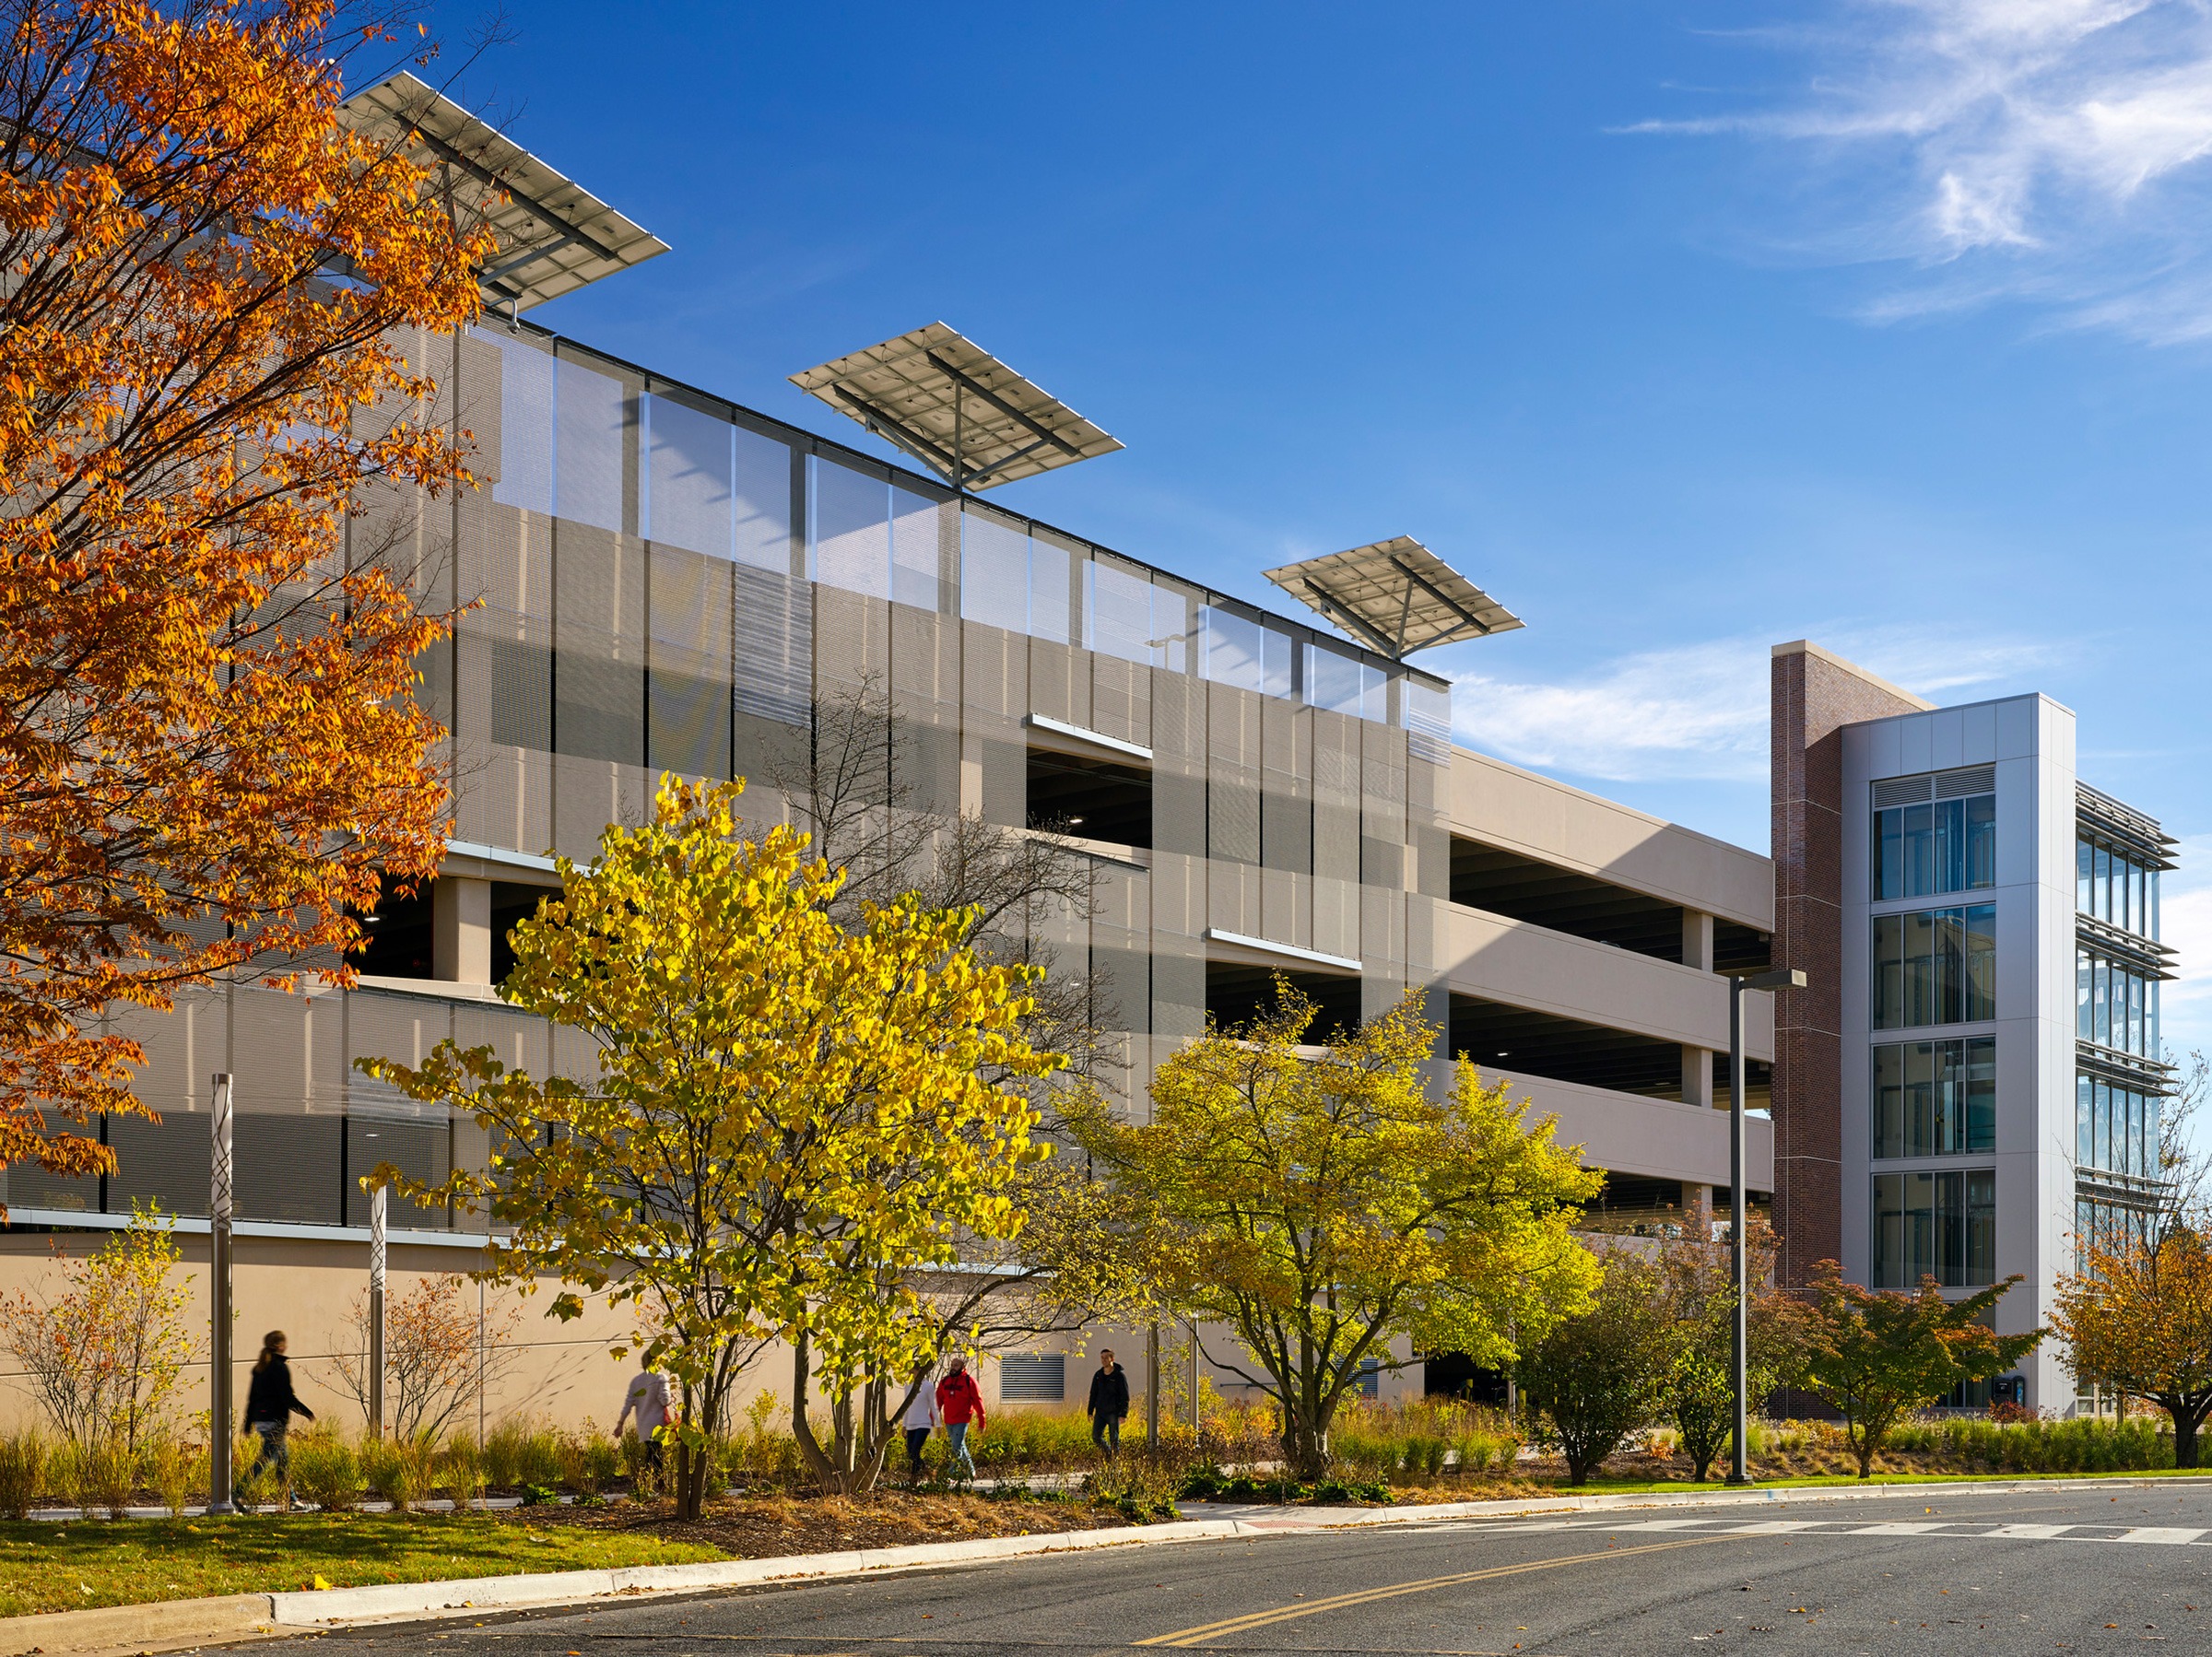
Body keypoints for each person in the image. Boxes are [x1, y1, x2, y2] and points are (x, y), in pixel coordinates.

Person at [243, 1330, 313, 1507]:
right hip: (275, 1420)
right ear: (280, 1346)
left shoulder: (259, 1368)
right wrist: (306, 1413)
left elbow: (252, 1398)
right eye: (285, 1343)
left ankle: (291, 1499)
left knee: (282, 1459)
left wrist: (248, 1424)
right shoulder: (279, 1368)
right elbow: (287, 1397)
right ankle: (238, 1492)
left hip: (261, 1419)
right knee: (267, 1459)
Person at [934, 1354, 984, 1482]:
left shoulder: (970, 1381)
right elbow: (938, 1400)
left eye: (956, 1365)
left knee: (956, 1447)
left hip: (962, 1420)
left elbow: (978, 1402)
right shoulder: (945, 1381)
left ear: (963, 1367)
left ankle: (951, 1474)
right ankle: (971, 1472)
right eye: (952, 1365)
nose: (953, 1368)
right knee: (960, 1445)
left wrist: (982, 1422)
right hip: (949, 1420)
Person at [615, 1359, 671, 1472]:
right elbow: (665, 1401)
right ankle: (657, 1484)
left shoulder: (636, 1381)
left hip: (644, 1425)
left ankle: (647, 1482)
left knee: (651, 1454)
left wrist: (620, 1423)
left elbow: (628, 1405)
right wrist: (670, 1397)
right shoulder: (661, 1379)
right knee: (657, 1457)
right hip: (658, 1424)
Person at [900, 1361, 941, 1484]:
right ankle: (927, 1471)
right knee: (911, 1454)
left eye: (912, 1371)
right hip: (911, 1424)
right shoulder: (907, 1386)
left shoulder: (928, 1386)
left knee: (915, 1451)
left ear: (918, 1370)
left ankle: (914, 1479)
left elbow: (934, 1406)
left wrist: (938, 1424)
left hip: (923, 1424)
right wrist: (904, 1425)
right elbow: (906, 1406)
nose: (910, 1374)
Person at [1086, 1348, 1130, 1456]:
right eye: (1102, 1358)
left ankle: (1116, 1463)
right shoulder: (1098, 1375)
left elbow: (1125, 1396)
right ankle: (1109, 1454)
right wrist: (1090, 1412)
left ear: (1112, 1359)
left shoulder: (1119, 1376)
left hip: (1113, 1412)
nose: (1104, 1360)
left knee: (1114, 1440)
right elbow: (1093, 1394)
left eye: (1106, 1358)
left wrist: (1123, 1414)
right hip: (1100, 1412)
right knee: (1096, 1437)